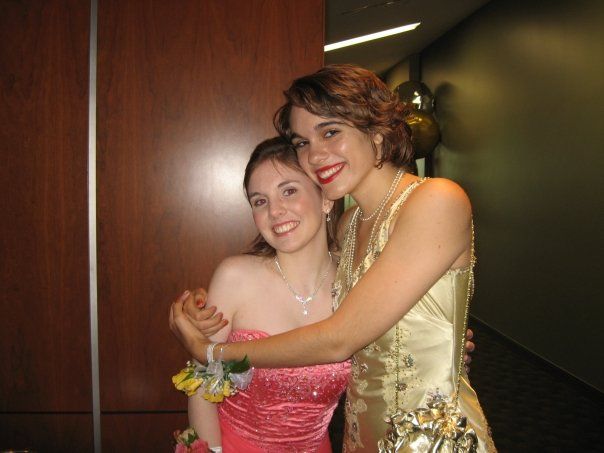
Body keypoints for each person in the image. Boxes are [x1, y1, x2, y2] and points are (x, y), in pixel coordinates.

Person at [171, 64, 494, 452]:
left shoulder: (436, 200)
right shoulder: (349, 226)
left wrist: (210, 352)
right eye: (302, 142)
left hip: (429, 438)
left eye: (330, 132)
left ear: (377, 130)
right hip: (361, 438)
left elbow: (340, 337)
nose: (315, 154)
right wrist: (197, 309)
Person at [186, 136, 350, 452]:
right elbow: (202, 385)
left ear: (325, 198)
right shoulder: (235, 277)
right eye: (260, 201)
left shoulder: (355, 281)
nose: (275, 211)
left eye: (289, 191)